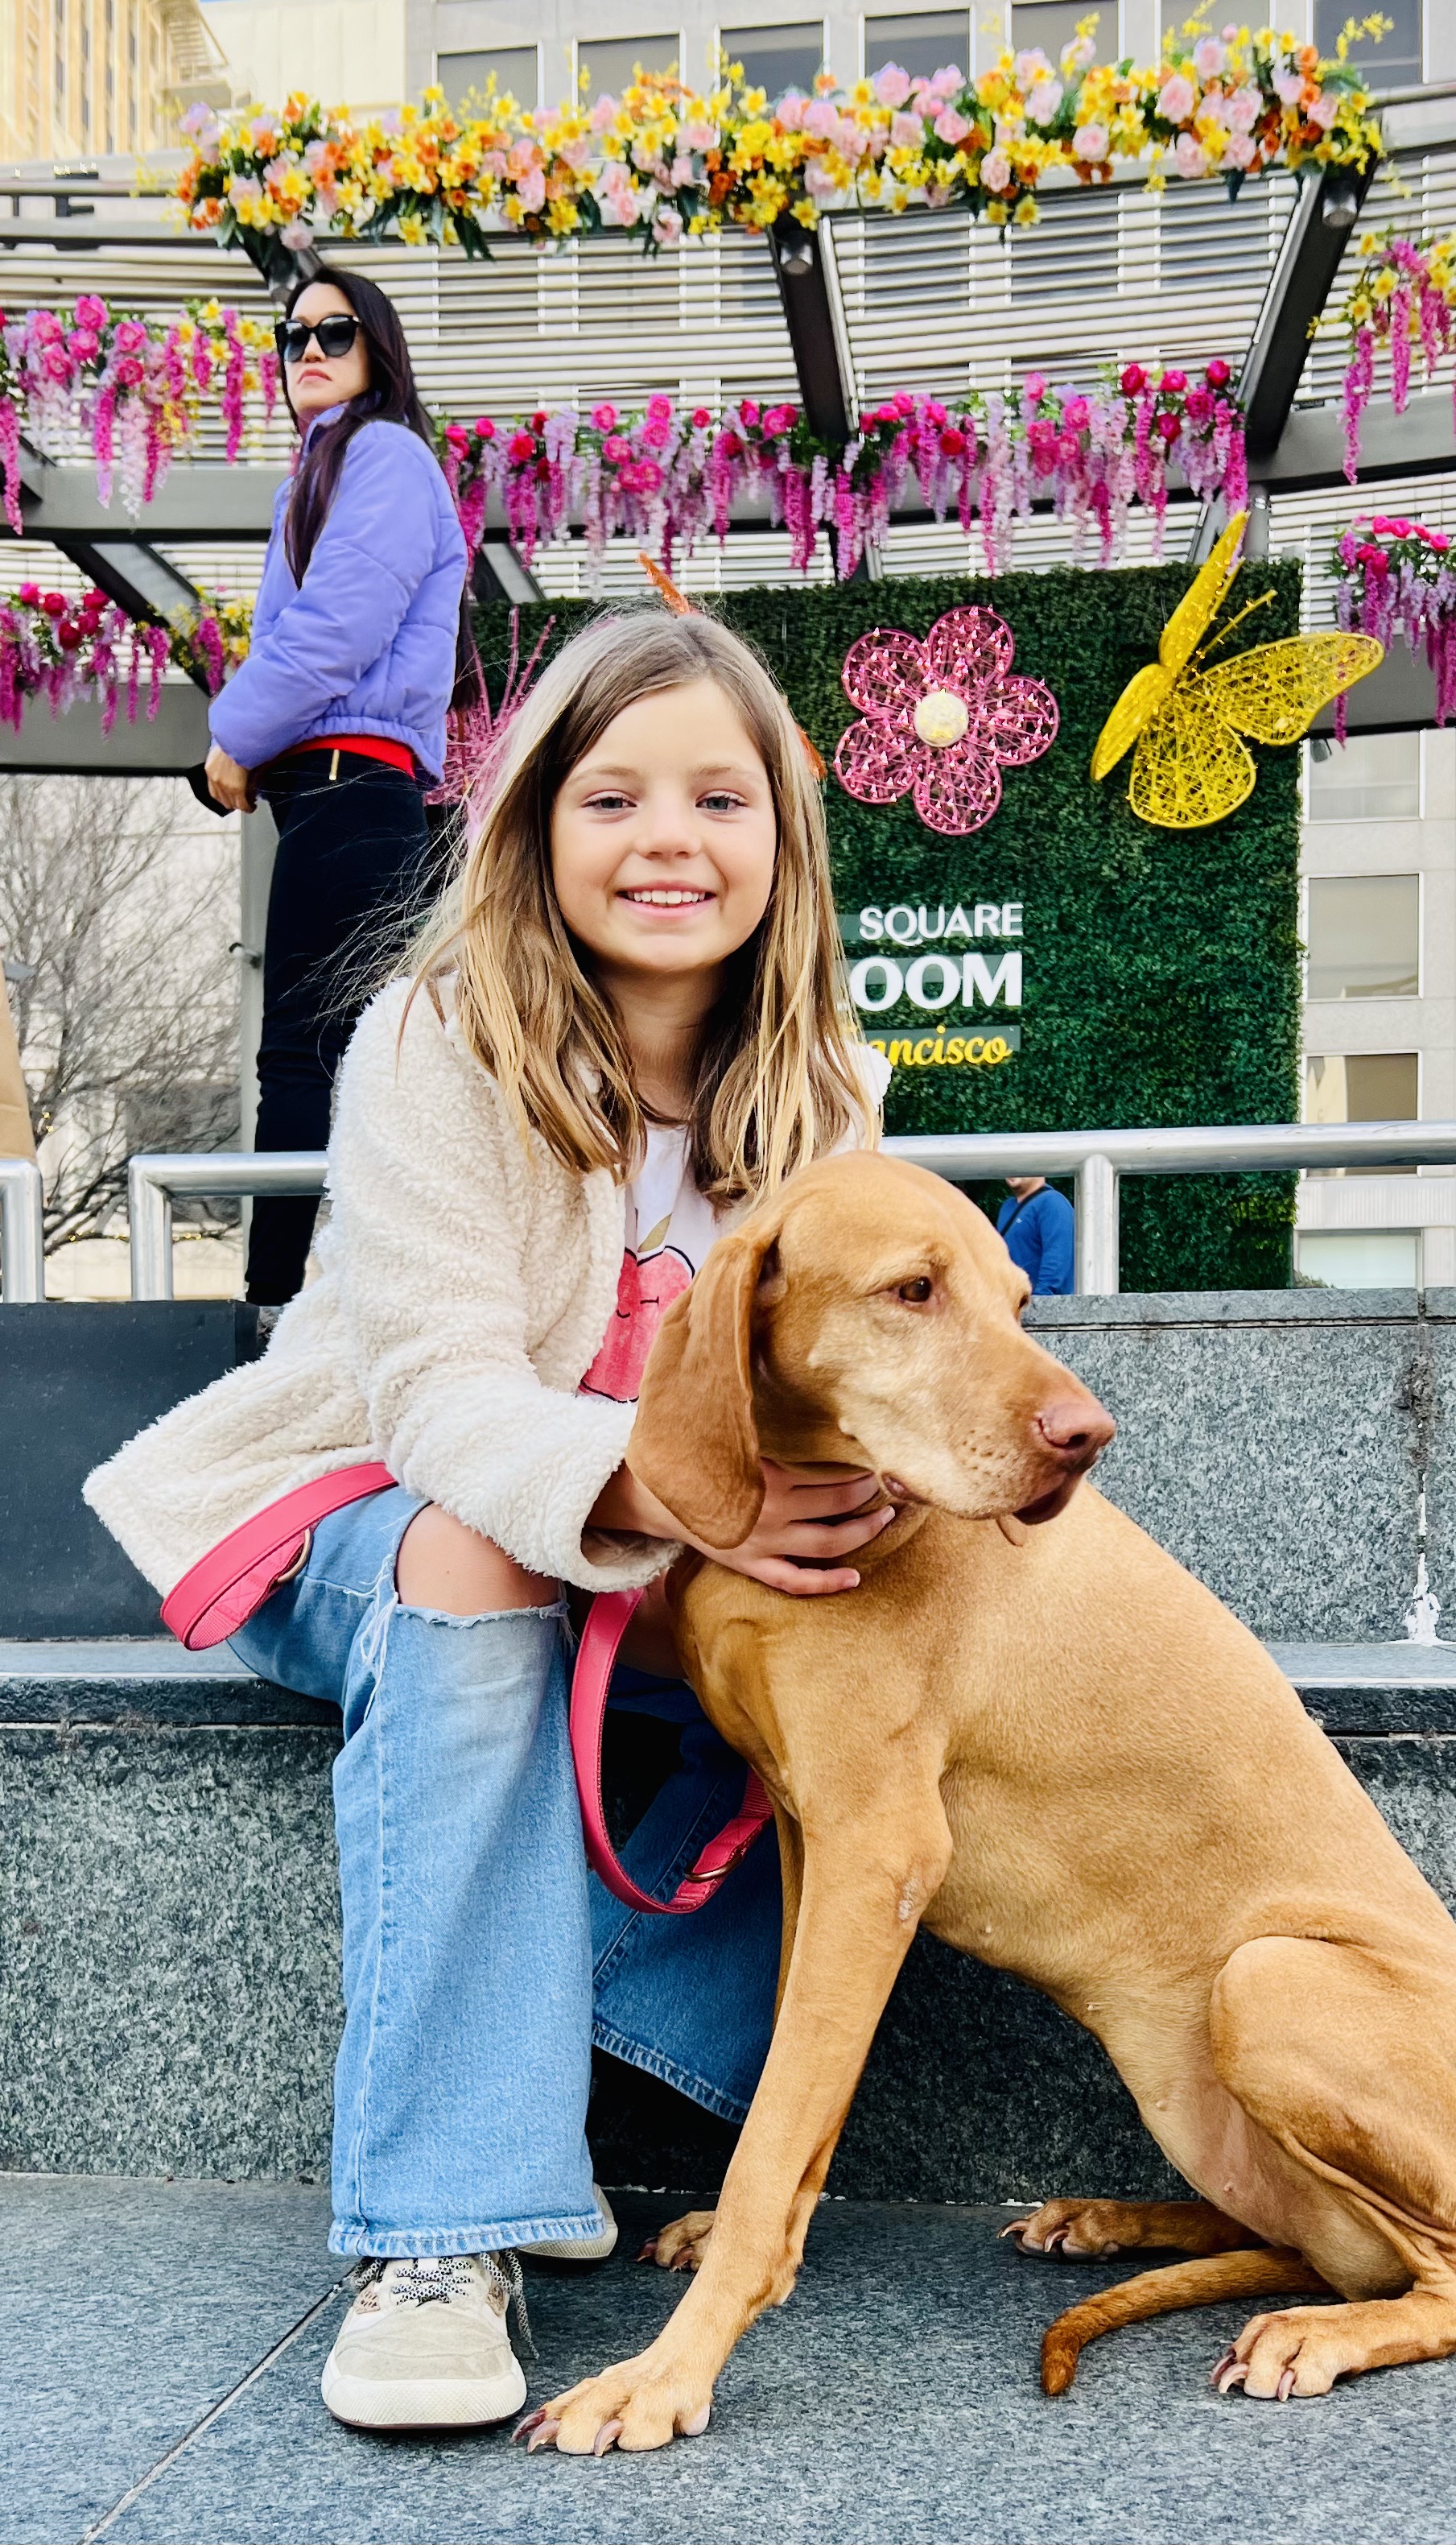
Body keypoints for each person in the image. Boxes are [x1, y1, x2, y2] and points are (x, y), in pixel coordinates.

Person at [87, 614, 892, 2434]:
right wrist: (696, 1495)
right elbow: (440, 1402)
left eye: (719, 797)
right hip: (356, 1503)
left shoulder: (824, 1088)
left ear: (784, 837)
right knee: (483, 1544)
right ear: (532, 828)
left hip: (656, 1551)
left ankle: (534, 2072)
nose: (667, 837)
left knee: (862, 1655)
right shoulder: (437, 1037)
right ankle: (442, 2234)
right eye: (611, 797)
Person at [204, 264, 471, 1307]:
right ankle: (322, 1298)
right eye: (293, 335)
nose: (308, 350)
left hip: (351, 788)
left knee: (321, 1062)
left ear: (378, 348)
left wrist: (232, 738)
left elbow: (333, 632)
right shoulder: (326, 469)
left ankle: (283, 1303)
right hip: (334, 794)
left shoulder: (385, 455)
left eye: (335, 331)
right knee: (350, 1061)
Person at [997, 1171, 1075, 1295]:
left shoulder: (1053, 1203)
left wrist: (1041, 1300)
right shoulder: (1007, 1207)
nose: (1013, 1167)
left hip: (1042, 1303)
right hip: (1011, 1302)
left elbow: (1057, 1258)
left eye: (1021, 1162)